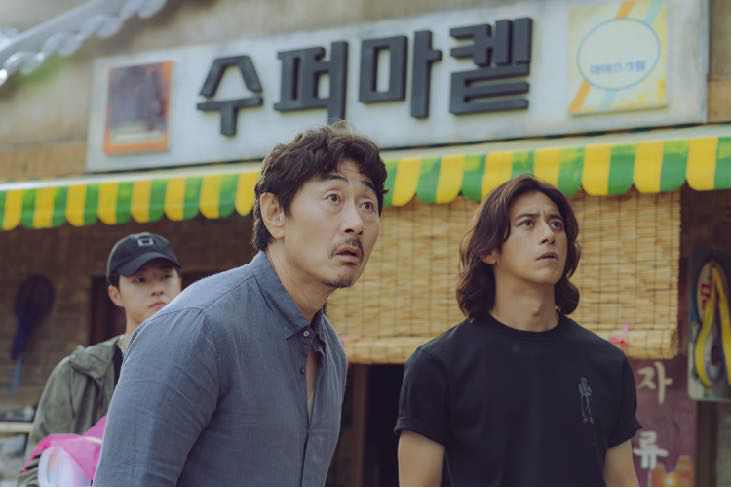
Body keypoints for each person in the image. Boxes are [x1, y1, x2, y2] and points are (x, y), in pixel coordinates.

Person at [93, 123, 387, 486]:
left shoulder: (332, 353)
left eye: (368, 205)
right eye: (333, 198)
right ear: (275, 213)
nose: (356, 223)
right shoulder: (198, 328)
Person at [395, 175, 641, 486]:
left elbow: (623, 481)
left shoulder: (608, 364)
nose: (548, 235)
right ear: (489, 251)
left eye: (556, 224)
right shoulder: (437, 365)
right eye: (528, 223)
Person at [19, 232, 182, 486]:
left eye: (166, 276)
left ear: (180, 283)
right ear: (115, 294)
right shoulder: (76, 373)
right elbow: (37, 469)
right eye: (140, 279)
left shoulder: (207, 364)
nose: (157, 289)